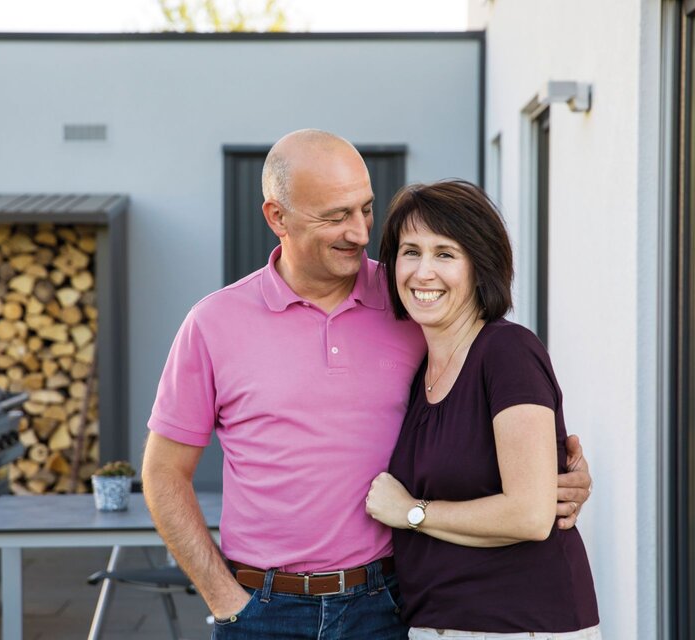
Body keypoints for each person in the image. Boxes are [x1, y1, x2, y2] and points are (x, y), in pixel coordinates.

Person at [142, 129, 593, 640]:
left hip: (389, 605)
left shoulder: (414, 303)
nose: (358, 232)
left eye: (366, 209)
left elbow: (488, 406)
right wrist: (224, 598)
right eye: (335, 216)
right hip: (262, 610)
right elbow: (163, 473)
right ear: (277, 218)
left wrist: (560, 477)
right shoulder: (213, 323)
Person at [365, 179, 599, 639]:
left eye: (445, 254)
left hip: (519, 626)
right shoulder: (420, 372)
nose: (423, 272)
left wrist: (412, 511)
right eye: (410, 252)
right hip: (437, 624)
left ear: (480, 267)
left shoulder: (507, 352)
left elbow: (530, 516)